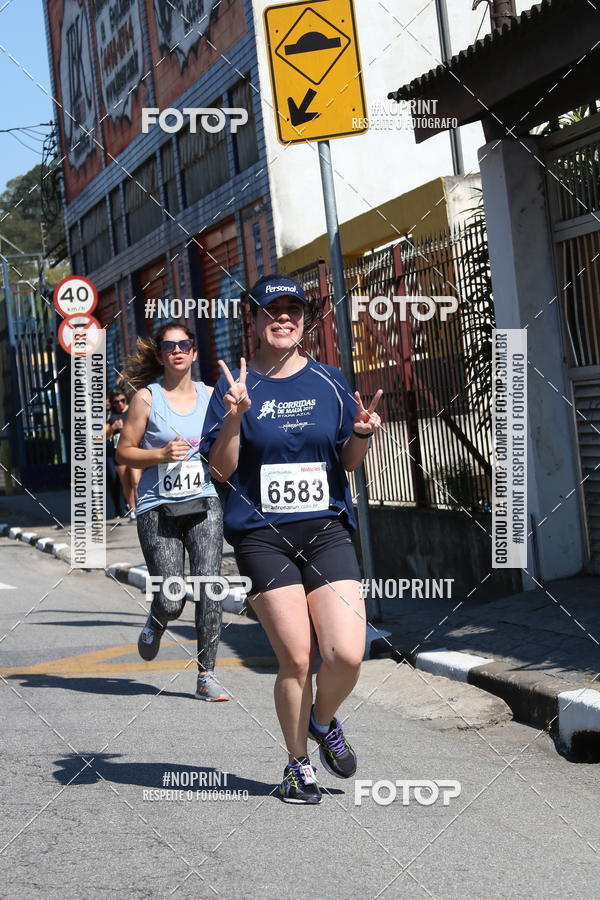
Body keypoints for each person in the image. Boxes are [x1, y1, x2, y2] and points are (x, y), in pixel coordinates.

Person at [202, 274, 382, 802]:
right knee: (298, 658)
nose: (284, 319)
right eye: (271, 311)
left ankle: (323, 722)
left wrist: (364, 439)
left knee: (347, 653)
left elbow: (344, 462)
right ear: (253, 321)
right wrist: (234, 418)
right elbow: (220, 472)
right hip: (262, 536)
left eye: (293, 311)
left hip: (326, 529)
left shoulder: (329, 380)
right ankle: (296, 764)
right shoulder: (233, 387)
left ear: (304, 320)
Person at [116, 322, 229, 701]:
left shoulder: (212, 396)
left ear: (194, 352)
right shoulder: (146, 399)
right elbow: (124, 451)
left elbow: (227, 442)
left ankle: (206, 675)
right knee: (172, 598)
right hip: (158, 506)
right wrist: (159, 455)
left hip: (203, 501)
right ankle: (157, 618)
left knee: (210, 586)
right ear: (161, 355)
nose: (178, 351)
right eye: (170, 346)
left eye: (185, 345)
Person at [106, 389, 137, 519]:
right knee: (126, 483)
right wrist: (113, 428)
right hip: (118, 453)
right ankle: (132, 510)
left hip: (134, 451)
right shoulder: (112, 417)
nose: (120, 404)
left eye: (122, 401)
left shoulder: (132, 412)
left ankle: (141, 506)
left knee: (135, 480)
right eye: (116, 402)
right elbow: (103, 436)